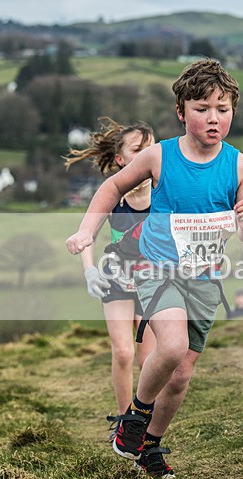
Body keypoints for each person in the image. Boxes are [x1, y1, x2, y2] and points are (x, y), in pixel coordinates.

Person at [65, 58, 243, 477]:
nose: (213, 118)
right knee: (169, 347)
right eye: (202, 109)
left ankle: (149, 446)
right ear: (181, 111)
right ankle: (134, 416)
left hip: (205, 280)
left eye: (222, 110)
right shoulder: (160, 156)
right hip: (156, 270)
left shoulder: (239, 165)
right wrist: (86, 231)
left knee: (180, 376)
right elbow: (111, 186)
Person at [63, 117, 157, 432]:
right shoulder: (113, 195)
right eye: (137, 149)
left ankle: (143, 422)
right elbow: (86, 234)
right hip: (117, 280)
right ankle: (124, 422)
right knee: (123, 351)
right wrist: (89, 270)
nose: (146, 154)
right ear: (121, 160)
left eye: (151, 147)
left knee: (149, 360)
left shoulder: (164, 194)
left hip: (153, 285)